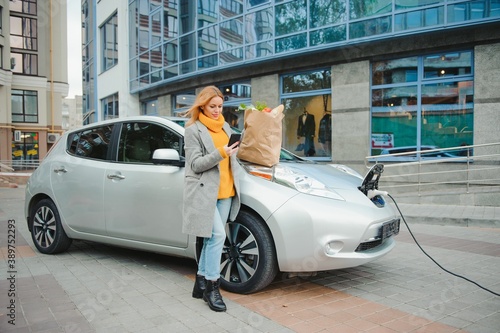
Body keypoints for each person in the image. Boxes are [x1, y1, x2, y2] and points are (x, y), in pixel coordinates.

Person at [182, 85, 241, 312]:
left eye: (220, 106)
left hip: (226, 190)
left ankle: (200, 282)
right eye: (212, 106)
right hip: (204, 192)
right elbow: (196, 164)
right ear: (203, 106)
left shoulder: (225, 126)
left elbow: (231, 158)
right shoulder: (193, 130)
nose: (217, 110)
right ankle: (212, 287)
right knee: (217, 235)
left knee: (210, 239)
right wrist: (221, 153)